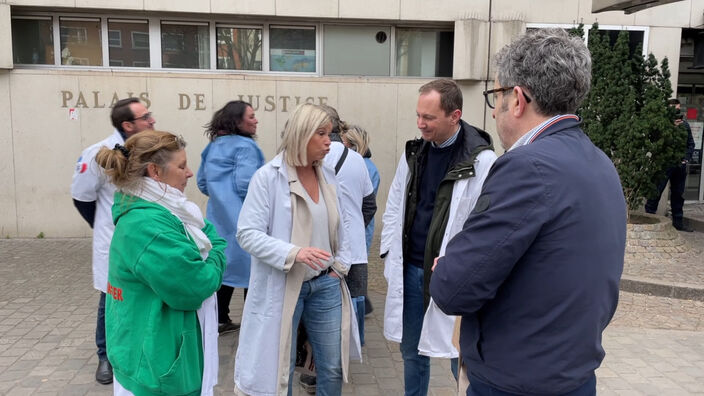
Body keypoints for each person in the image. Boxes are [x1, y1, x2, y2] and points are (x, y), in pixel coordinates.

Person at [430, 29, 627, 395]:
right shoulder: (600, 163)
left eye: (496, 95)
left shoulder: (527, 167)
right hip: (574, 373)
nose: (493, 110)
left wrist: (449, 265)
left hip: (516, 380)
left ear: (517, 99)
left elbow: (454, 288)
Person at [235, 103, 361, 396]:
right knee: (282, 365)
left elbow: (344, 224)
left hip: (325, 285)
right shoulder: (267, 178)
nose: (330, 141)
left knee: (331, 366)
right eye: (321, 134)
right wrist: (294, 253)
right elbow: (247, 234)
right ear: (301, 135)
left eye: (330, 134)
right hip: (284, 285)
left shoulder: (327, 175)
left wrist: (339, 267)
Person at [380, 79, 496, 396]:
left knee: (459, 354)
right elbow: (393, 206)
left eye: (428, 118)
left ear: (454, 115)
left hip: (453, 276)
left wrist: (467, 268)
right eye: (418, 116)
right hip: (412, 270)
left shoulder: (481, 161)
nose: (420, 124)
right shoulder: (414, 153)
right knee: (412, 352)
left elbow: (488, 224)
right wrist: (390, 254)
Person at [95, 130, 226, 395]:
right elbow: (195, 286)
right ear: (155, 171)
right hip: (158, 370)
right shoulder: (148, 225)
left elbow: (207, 231)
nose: (190, 173)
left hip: (155, 356)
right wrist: (218, 253)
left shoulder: (161, 209)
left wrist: (210, 247)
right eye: (181, 166)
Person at [70, 97, 155, 384]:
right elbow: (82, 197)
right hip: (114, 239)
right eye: (145, 117)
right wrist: (105, 226)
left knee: (144, 292)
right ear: (127, 124)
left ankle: (141, 348)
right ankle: (105, 356)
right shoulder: (99, 153)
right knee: (111, 296)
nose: (152, 120)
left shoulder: (152, 148)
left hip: (147, 236)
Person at [197, 100, 265, 334]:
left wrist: (220, 195)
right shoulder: (246, 147)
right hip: (245, 218)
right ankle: (252, 324)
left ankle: (218, 319)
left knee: (222, 267)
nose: (256, 121)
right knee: (252, 270)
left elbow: (202, 183)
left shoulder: (212, 146)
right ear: (238, 121)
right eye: (252, 117)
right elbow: (247, 184)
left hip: (218, 218)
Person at [645, 98, 696, 232]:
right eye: (673, 109)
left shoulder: (685, 125)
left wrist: (685, 159)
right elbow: (655, 141)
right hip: (664, 163)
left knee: (678, 195)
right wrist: (671, 127)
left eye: (678, 109)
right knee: (656, 192)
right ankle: (649, 219)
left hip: (680, 165)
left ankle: (678, 223)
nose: (676, 111)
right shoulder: (662, 124)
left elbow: (691, 144)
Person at [341, 124, 381, 257]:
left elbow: (366, 204)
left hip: (357, 226)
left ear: (349, 144)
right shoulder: (371, 167)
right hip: (361, 226)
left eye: (343, 141)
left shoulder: (360, 166)